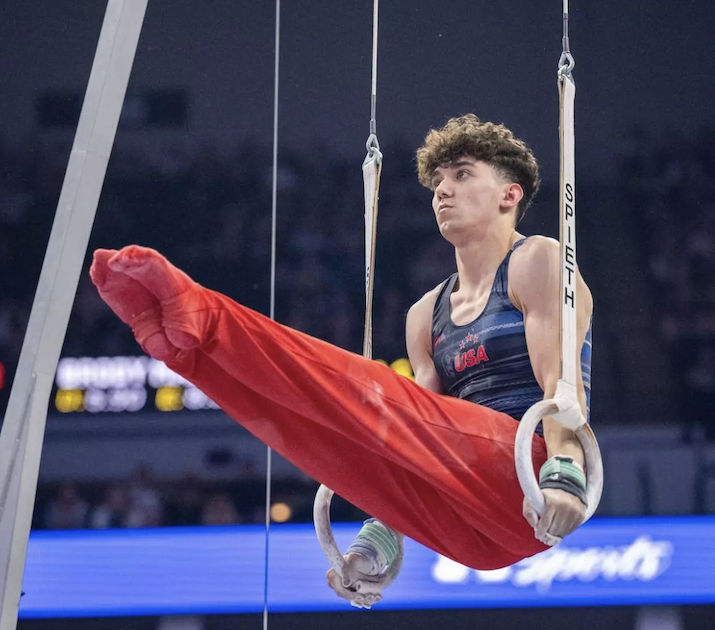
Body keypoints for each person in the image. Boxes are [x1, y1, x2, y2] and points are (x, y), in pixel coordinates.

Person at [90, 114, 595, 607]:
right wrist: (373, 549)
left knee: (368, 392)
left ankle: (205, 318)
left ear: (510, 194)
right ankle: (189, 353)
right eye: (438, 181)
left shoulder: (538, 261)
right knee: (312, 427)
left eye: (462, 175)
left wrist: (565, 472)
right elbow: (412, 443)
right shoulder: (426, 314)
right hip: (466, 524)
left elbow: (562, 387)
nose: (443, 190)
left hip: (531, 475)